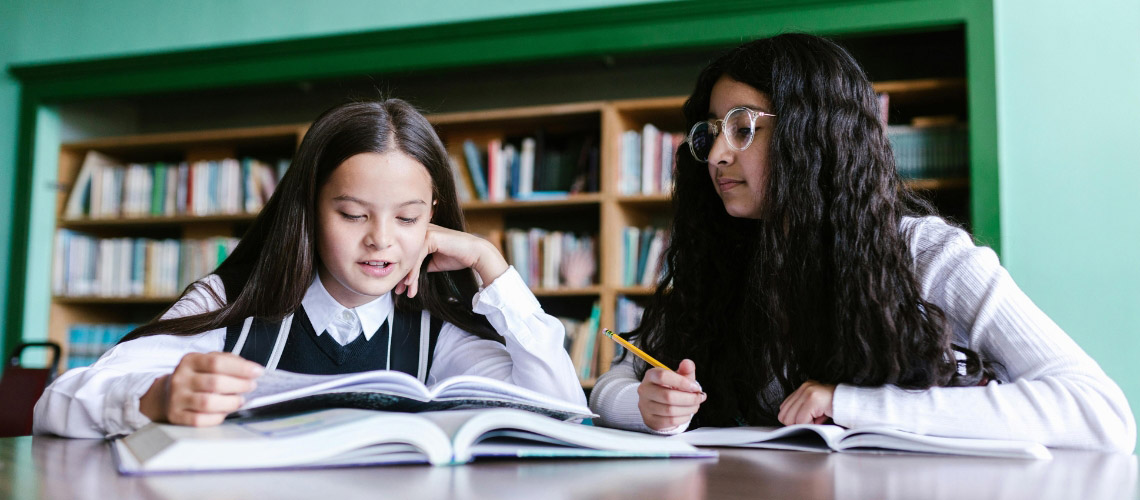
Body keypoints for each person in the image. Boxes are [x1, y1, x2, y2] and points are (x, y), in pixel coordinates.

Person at [589, 33, 1135, 452]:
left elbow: (1100, 413)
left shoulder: (927, 255)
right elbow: (613, 383)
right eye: (712, 132)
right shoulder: (725, 256)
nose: (715, 156)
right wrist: (647, 405)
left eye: (742, 127)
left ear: (814, 133)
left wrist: (850, 405)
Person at [35, 99, 587, 438]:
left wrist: (491, 265)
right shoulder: (233, 303)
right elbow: (57, 403)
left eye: (408, 217)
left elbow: (561, 411)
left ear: (433, 220)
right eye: (352, 214)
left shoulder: (433, 330)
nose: (381, 240)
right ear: (309, 209)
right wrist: (153, 398)